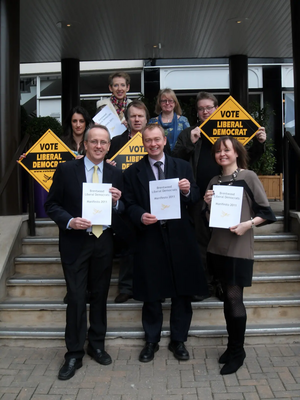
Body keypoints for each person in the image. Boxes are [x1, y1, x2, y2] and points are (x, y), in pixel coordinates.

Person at [44, 124, 127, 380]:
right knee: (77, 298)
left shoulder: (116, 173)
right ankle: (74, 354)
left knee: (100, 296)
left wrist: (117, 203)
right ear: (86, 144)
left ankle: (97, 345)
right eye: (94, 142)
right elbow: (52, 205)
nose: (99, 146)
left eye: (103, 142)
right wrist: (70, 221)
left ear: (109, 146)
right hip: (75, 244)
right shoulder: (67, 170)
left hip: (103, 243)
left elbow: (123, 210)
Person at [123, 124, 208, 363]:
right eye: (148, 140)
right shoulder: (132, 172)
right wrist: (140, 215)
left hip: (180, 237)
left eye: (157, 139)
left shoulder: (181, 166)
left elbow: (195, 198)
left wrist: (187, 190)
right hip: (149, 238)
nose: (153, 144)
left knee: (182, 293)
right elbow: (128, 204)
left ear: (164, 140)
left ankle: (178, 341)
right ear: (143, 142)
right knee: (152, 293)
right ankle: (151, 341)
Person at [172, 91, 267, 301]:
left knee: (225, 241)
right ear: (196, 112)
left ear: (217, 109)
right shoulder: (190, 133)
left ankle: (222, 285)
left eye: (209, 107)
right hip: (201, 197)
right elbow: (174, 160)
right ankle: (205, 284)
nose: (205, 111)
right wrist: (190, 141)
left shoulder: (230, 134)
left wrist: (259, 142)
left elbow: (247, 158)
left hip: (230, 197)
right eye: (201, 108)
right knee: (203, 243)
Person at [203, 136, 276, 375]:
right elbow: (208, 221)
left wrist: (247, 224)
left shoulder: (248, 177)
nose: (222, 154)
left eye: (227, 150)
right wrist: (207, 204)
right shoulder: (214, 181)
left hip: (239, 248)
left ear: (236, 153)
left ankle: (238, 352)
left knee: (235, 299)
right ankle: (232, 346)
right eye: (218, 151)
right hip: (217, 247)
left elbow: (266, 212)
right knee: (226, 299)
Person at [107, 100, 170, 304]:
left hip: (153, 201)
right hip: (124, 199)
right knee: (128, 244)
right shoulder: (115, 141)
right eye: (133, 116)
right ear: (127, 118)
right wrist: (109, 165)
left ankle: (154, 286)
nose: (136, 119)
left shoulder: (154, 140)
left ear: (146, 118)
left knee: (154, 247)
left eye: (140, 116)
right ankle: (126, 287)